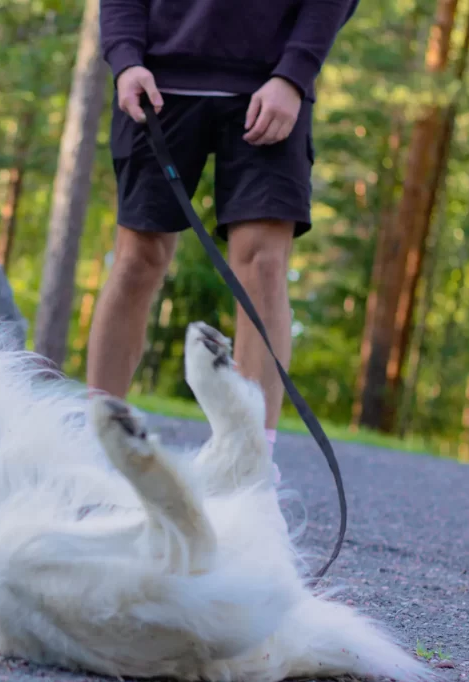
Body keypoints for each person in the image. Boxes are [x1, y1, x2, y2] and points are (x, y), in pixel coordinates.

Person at [91, 0, 359, 465]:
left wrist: (294, 74)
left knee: (264, 267)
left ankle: (250, 461)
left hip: (270, 85)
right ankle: (99, 443)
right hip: (158, 79)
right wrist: (125, 58)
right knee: (137, 260)